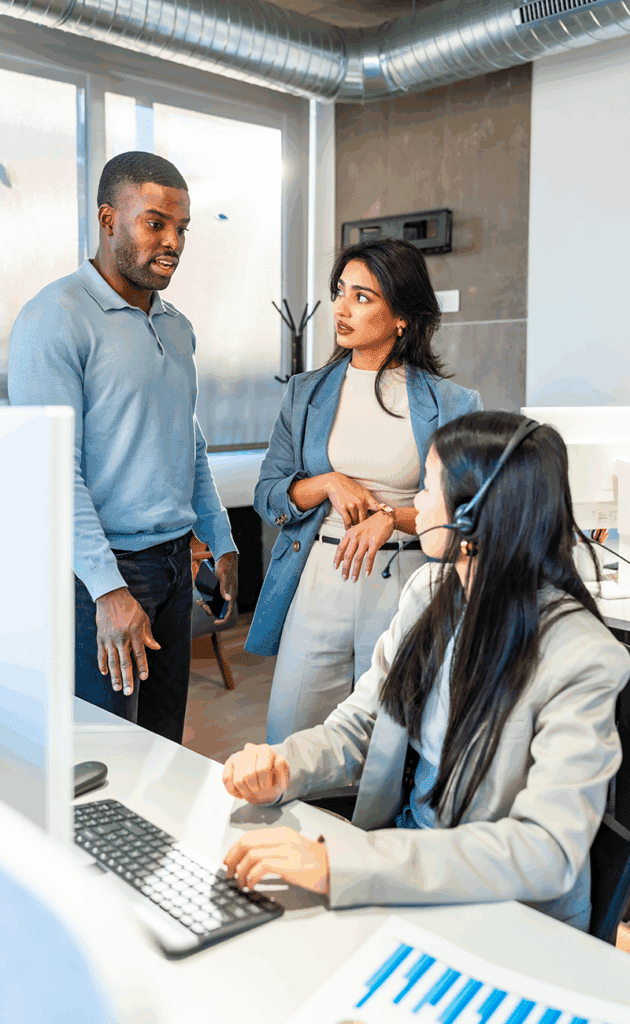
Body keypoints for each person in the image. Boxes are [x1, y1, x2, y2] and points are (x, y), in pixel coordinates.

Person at [222, 411, 630, 930]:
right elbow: (362, 729)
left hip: (503, 914)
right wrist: (284, 766)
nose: (413, 502)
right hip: (401, 861)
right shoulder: (428, 594)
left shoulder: (582, 655)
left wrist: (339, 864)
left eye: (427, 487)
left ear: (472, 515)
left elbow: (544, 849)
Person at [8, 151, 238, 743]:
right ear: (109, 219)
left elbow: (187, 442)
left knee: (164, 747)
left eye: (181, 228)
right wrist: (107, 589)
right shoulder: (53, 320)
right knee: (106, 758)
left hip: (172, 568)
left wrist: (219, 538)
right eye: (155, 223)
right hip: (100, 577)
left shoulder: (177, 326)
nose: (173, 243)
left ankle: (154, 843)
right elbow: (51, 474)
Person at [246, 238, 482, 744]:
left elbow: (470, 510)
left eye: (362, 296)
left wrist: (391, 518)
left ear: (402, 315)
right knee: (292, 733)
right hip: (319, 577)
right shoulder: (305, 393)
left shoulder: (451, 403)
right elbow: (268, 494)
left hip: (406, 580)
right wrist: (328, 483)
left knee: (391, 741)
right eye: (339, 292)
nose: (341, 308)